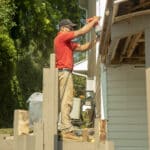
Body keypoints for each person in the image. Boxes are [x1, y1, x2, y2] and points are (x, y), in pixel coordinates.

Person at [54, 16, 100, 138]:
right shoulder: (61, 37)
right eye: (69, 28)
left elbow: (83, 47)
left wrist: (96, 40)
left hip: (64, 73)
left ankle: (63, 128)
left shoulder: (67, 43)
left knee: (65, 101)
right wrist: (94, 22)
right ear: (63, 28)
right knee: (67, 101)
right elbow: (81, 32)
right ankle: (66, 129)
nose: (71, 30)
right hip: (64, 72)